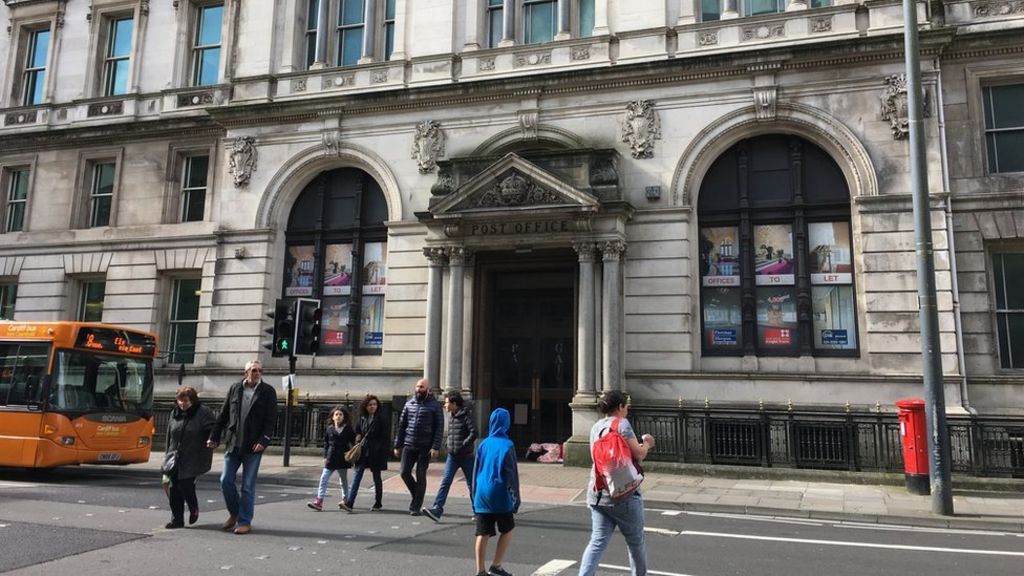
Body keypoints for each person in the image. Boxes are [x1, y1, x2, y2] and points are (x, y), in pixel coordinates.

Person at [578, 390, 656, 576]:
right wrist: (647, 443)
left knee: (597, 542)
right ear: (620, 407)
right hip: (624, 495)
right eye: (626, 405)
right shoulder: (622, 424)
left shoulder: (595, 427)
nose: (628, 408)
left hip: (597, 493)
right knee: (636, 543)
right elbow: (638, 454)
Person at [207, 359, 278, 535]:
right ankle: (235, 513)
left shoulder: (268, 391)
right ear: (245, 372)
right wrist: (214, 436)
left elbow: (271, 420)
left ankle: (245, 521)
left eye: (260, 371)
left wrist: (264, 440)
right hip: (233, 443)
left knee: (247, 486)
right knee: (225, 480)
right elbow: (224, 415)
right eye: (253, 370)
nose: (257, 373)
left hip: (253, 445)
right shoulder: (235, 388)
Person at [472, 407, 520, 576]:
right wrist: (516, 499)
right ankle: (497, 564)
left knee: (482, 532)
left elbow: (475, 471)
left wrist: (474, 496)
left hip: (481, 492)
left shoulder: (482, 444)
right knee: (507, 528)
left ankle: (480, 570)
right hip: (499, 492)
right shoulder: (508, 445)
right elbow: (511, 474)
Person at [163, 385, 216, 529]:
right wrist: (166, 456)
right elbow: (170, 435)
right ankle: (177, 520)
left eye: (185, 401)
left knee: (186, 485)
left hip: (194, 455)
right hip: (175, 456)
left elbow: (213, 430)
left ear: (192, 400)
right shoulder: (175, 413)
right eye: (180, 400)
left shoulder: (203, 412)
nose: (182, 404)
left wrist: (211, 439)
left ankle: (194, 509)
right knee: (174, 488)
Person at [422, 390, 478, 522]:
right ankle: (437, 509)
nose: (444, 405)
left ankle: (478, 510)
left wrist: (463, 444)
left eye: (446, 403)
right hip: (453, 456)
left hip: (466, 455)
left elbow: (474, 432)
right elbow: (454, 432)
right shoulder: (452, 415)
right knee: (445, 482)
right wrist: (448, 442)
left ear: (454, 403)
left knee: (472, 484)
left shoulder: (466, 415)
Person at [392, 378, 444, 515]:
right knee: (404, 472)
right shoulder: (409, 404)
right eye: (417, 387)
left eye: (421, 387)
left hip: (425, 446)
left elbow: (439, 428)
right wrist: (398, 444)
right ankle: (417, 496)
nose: (418, 389)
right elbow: (401, 426)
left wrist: (435, 447)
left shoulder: (435, 406)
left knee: (421, 475)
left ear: (428, 389)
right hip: (409, 444)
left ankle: (415, 506)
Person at [340, 394, 389, 511]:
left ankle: (378, 502)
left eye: (374, 404)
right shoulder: (362, 417)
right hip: (363, 450)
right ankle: (350, 503)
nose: (373, 407)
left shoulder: (381, 418)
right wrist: (358, 438)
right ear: (365, 406)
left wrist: (379, 448)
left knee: (377, 477)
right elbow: (357, 431)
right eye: (370, 405)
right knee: (357, 476)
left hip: (375, 452)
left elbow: (385, 436)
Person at [308, 406, 355, 511]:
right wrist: (325, 456)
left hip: (343, 458)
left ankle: (345, 499)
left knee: (343, 480)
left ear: (344, 417)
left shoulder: (348, 429)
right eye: (336, 414)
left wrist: (352, 454)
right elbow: (326, 443)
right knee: (324, 478)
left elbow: (353, 442)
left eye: (340, 415)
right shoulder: (329, 429)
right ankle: (319, 500)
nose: (338, 416)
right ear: (333, 417)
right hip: (331, 457)